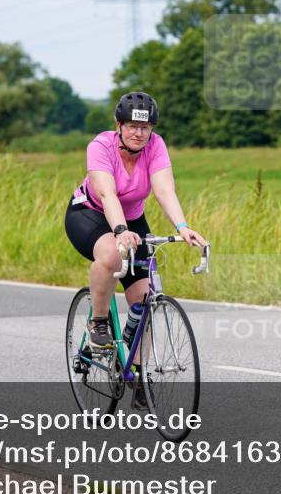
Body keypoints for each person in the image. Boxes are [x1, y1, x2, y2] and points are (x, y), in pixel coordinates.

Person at [64, 91, 207, 409]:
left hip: (133, 219)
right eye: (131, 126)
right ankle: (99, 322)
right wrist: (119, 232)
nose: (139, 133)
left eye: (145, 128)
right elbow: (107, 193)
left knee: (144, 297)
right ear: (119, 125)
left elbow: (164, 189)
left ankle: (140, 375)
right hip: (90, 214)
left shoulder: (155, 146)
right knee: (112, 256)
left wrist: (182, 228)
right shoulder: (100, 146)